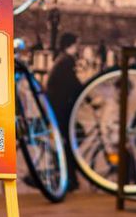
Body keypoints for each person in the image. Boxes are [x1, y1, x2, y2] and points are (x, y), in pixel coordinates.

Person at [46, 32, 83, 190]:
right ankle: (67, 174)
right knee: (72, 139)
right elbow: (74, 84)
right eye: (77, 43)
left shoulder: (62, 59)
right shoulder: (67, 61)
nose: (79, 47)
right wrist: (89, 98)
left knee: (69, 139)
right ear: (71, 44)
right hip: (61, 108)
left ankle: (68, 175)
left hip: (57, 107)